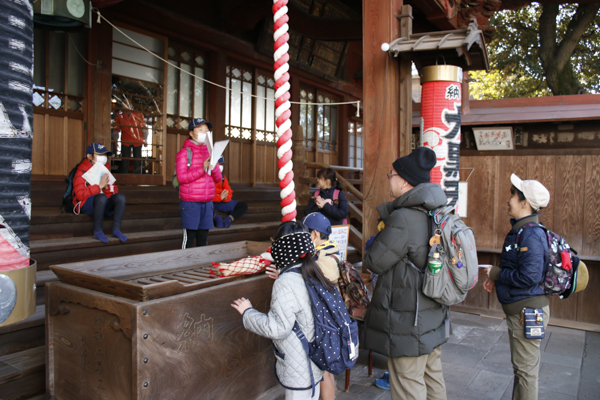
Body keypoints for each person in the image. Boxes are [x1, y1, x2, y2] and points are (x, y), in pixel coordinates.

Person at [361, 147, 448, 400]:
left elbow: (374, 261)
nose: (389, 178)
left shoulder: (404, 218)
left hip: (408, 321)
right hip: (432, 314)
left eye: (391, 174)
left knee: (407, 386)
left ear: (405, 180)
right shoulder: (436, 211)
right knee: (433, 381)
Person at [231, 221, 331, 400]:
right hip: (315, 359)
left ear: (281, 248)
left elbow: (278, 328)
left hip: (299, 365)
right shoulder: (312, 271)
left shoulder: (285, 282)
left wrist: (248, 312)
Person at [483, 174, 551, 400]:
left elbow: (528, 277)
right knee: (522, 369)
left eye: (513, 195)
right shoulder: (522, 231)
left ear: (525, 203)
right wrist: (499, 278)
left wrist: (496, 273)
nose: (508, 199)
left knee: (526, 372)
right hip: (522, 311)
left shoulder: (530, 234)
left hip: (528, 313)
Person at [302, 212, 340, 400]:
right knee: (327, 370)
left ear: (315, 234)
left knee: (323, 371)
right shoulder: (331, 252)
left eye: (306, 233)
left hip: (324, 322)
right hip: (332, 320)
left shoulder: (321, 259)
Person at [177, 118, 222, 248]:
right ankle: (184, 265)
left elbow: (218, 178)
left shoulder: (211, 152)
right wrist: (202, 168)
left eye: (206, 131)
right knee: (189, 238)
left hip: (207, 203)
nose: (204, 133)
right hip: (191, 203)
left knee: (203, 239)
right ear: (191, 133)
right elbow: (181, 178)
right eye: (200, 130)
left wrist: (213, 166)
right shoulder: (184, 153)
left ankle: (201, 264)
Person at [73, 143, 127, 244]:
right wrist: (99, 187)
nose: (104, 158)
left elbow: (114, 190)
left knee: (120, 197)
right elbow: (80, 195)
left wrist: (106, 188)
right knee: (101, 197)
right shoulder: (81, 172)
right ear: (89, 156)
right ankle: (98, 231)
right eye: (100, 155)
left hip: (102, 203)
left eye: (105, 155)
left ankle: (116, 229)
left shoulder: (105, 169)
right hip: (86, 204)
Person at [212, 156, 248, 228]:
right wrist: (219, 197)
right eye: (219, 164)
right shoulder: (208, 177)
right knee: (203, 205)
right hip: (211, 202)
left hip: (222, 202)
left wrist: (225, 198)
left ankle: (229, 219)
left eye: (222, 165)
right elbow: (206, 195)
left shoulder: (223, 177)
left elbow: (229, 192)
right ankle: (217, 218)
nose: (221, 167)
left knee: (243, 205)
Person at [115, 96, 146, 174]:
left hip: (138, 140)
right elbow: (116, 129)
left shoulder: (138, 114)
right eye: (124, 103)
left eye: (127, 103)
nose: (126, 105)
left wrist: (145, 139)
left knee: (138, 160)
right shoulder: (119, 115)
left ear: (131, 104)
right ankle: (124, 178)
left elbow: (144, 128)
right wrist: (115, 141)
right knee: (125, 160)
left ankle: (138, 178)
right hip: (125, 140)